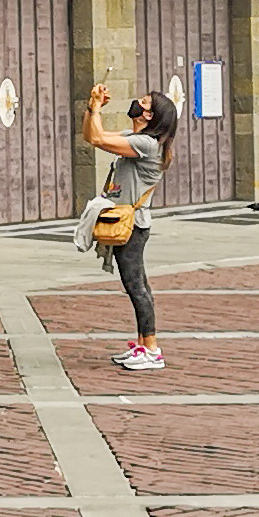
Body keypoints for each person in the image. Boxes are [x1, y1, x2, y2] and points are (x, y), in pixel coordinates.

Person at [85, 82, 173, 366]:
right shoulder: (135, 138)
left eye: (144, 102)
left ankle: (152, 351)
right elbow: (91, 136)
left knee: (135, 286)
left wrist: (97, 108)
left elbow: (98, 139)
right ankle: (142, 345)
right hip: (131, 222)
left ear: (149, 115)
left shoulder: (147, 144)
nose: (137, 102)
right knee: (138, 284)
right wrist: (91, 108)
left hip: (132, 226)